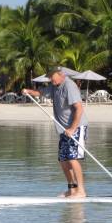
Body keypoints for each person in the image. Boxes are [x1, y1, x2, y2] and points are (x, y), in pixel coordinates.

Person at [22, 66, 88, 198]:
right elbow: (41, 93)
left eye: (51, 76)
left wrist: (72, 128)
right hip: (64, 130)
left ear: (60, 74)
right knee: (63, 160)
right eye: (49, 77)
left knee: (72, 158)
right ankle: (72, 189)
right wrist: (28, 91)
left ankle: (81, 191)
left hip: (76, 127)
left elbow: (79, 109)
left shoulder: (69, 86)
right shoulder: (54, 86)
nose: (50, 79)